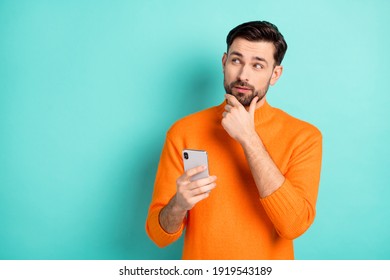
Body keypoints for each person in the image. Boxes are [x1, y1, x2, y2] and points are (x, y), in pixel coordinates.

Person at [145, 20, 322, 260]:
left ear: (275, 74)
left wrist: (249, 139)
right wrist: (178, 205)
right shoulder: (183, 131)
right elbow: (158, 236)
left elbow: (294, 225)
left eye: (258, 65)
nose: (243, 75)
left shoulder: (304, 137)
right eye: (236, 60)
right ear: (224, 62)